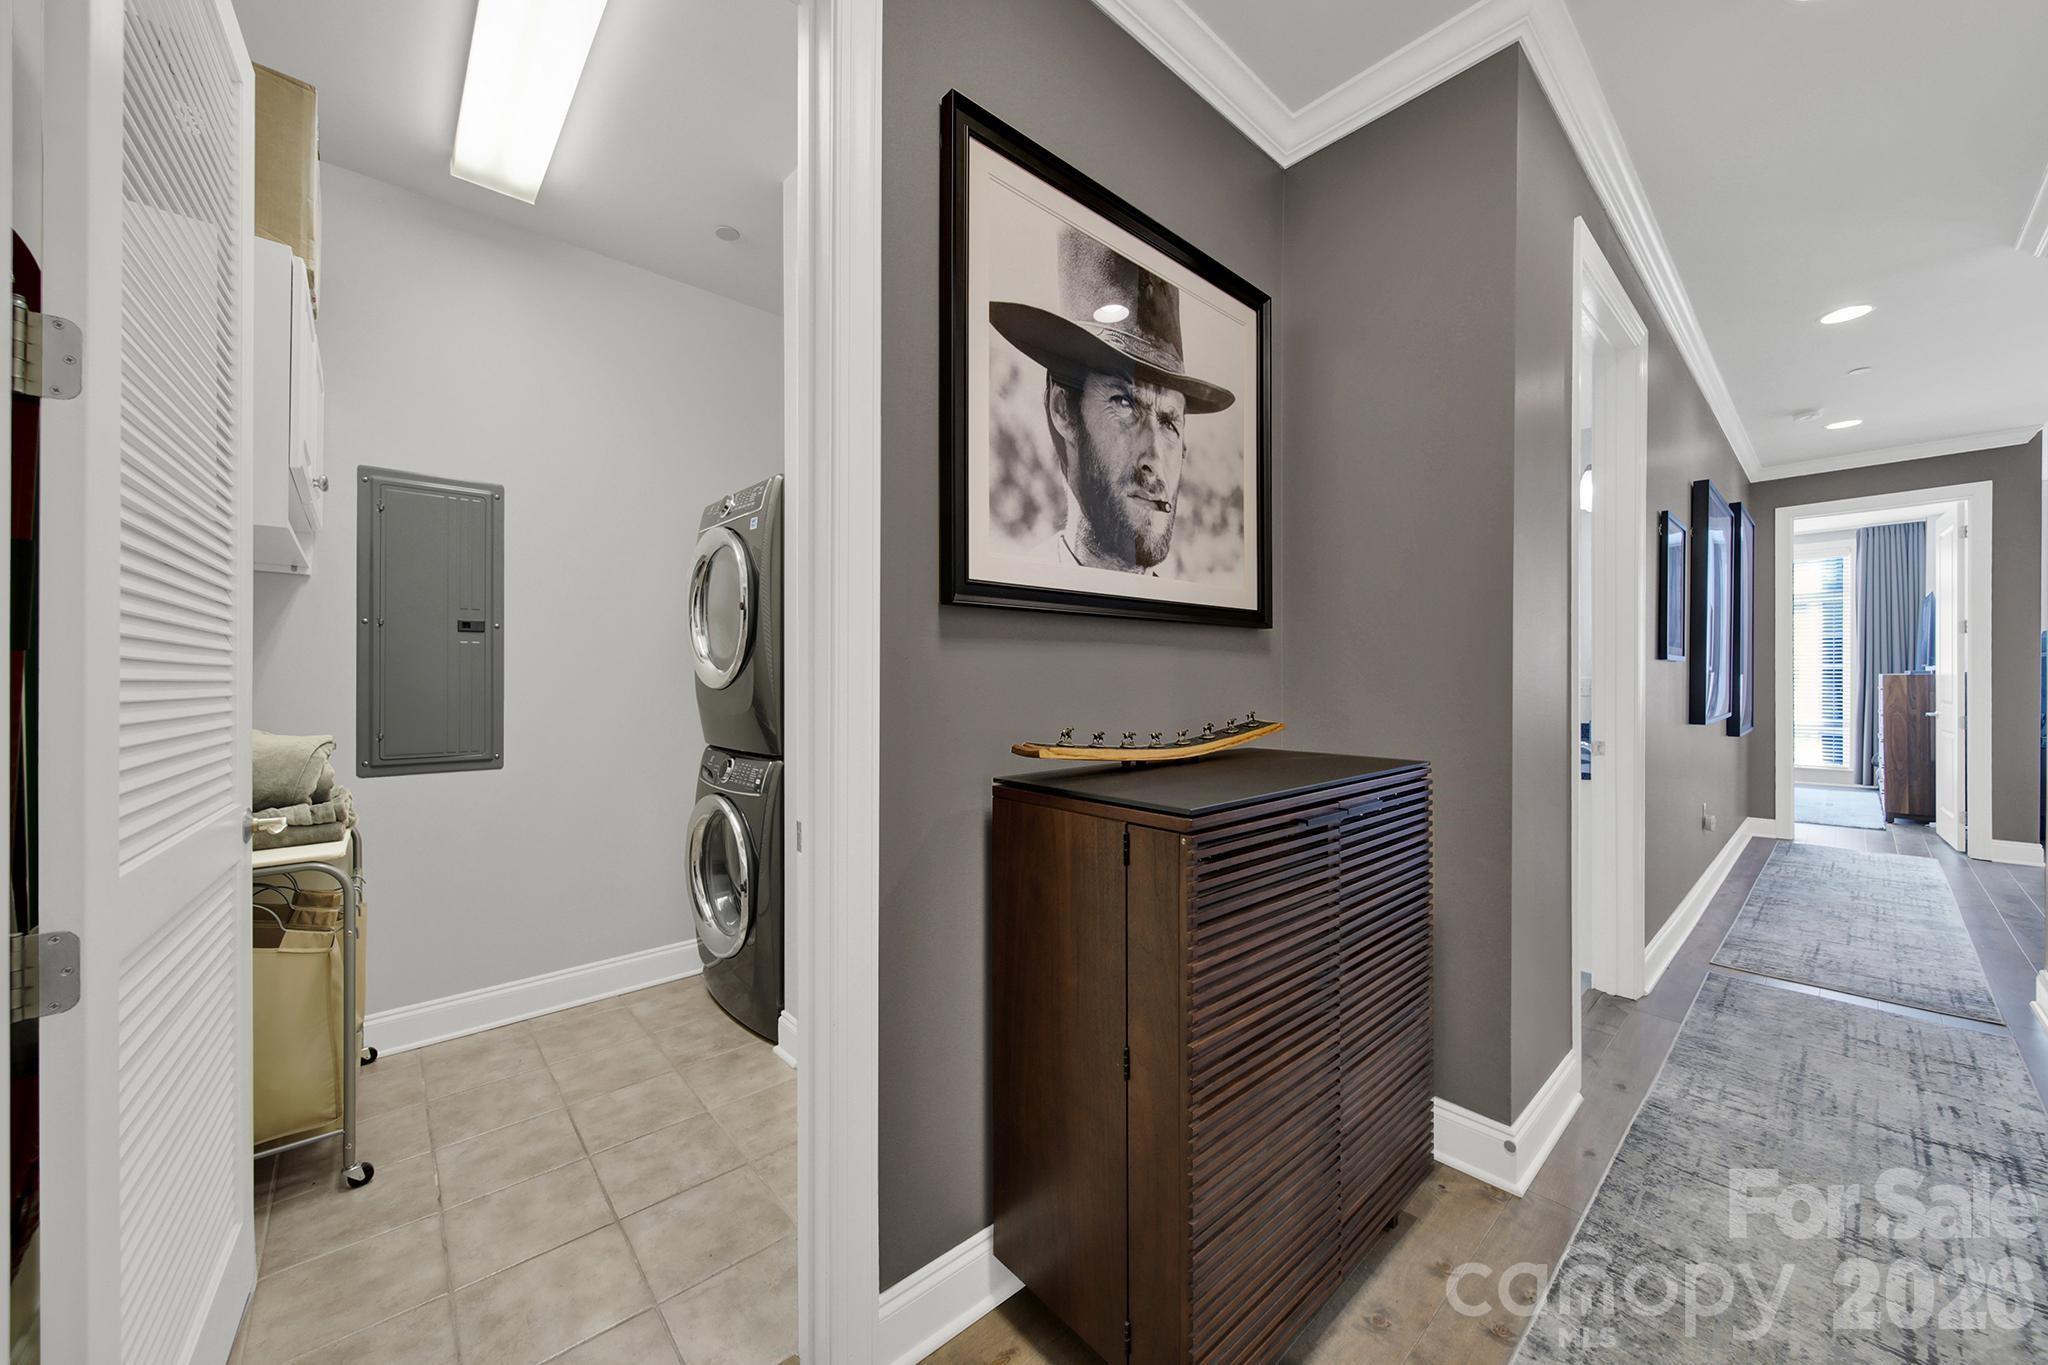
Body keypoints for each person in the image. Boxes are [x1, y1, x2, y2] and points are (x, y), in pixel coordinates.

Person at [991, 228, 1236, 574]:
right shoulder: (1017, 585)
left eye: (1169, 422)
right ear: (1063, 410)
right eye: (1124, 403)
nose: (1154, 458)